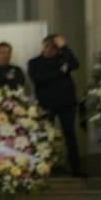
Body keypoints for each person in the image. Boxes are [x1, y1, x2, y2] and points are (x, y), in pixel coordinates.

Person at [28, 33, 86, 177]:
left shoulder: (62, 58)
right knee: (46, 136)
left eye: (53, 48)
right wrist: (60, 72)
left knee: (70, 135)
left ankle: (76, 169)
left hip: (66, 103)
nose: (49, 50)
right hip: (46, 104)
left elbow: (75, 63)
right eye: (47, 47)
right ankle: (46, 168)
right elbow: (39, 79)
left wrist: (64, 47)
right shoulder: (35, 62)